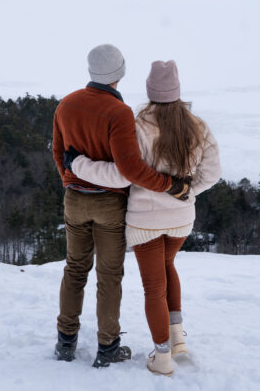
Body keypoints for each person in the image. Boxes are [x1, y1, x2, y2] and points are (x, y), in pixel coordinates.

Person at [69, 59, 221, 377]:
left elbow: (122, 174)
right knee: (168, 268)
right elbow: (211, 174)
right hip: (181, 219)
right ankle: (178, 341)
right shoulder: (198, 126)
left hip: (145, 221)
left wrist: (79, 165)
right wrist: (186, 193)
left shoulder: (137, 125)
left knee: (154, 286)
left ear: (151, 92)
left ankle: (162, 356)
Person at [52, 44, 191, 368]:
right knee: (109, 275)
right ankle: (107, 346)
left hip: (74, 199)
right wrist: (170, 186)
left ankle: (65, 341)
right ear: (121, 72)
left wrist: (70, 181)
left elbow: (59, 152)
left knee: (74, 269)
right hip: (109, 204)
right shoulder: (120, 113)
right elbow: (131, 170)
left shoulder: (67, 104)